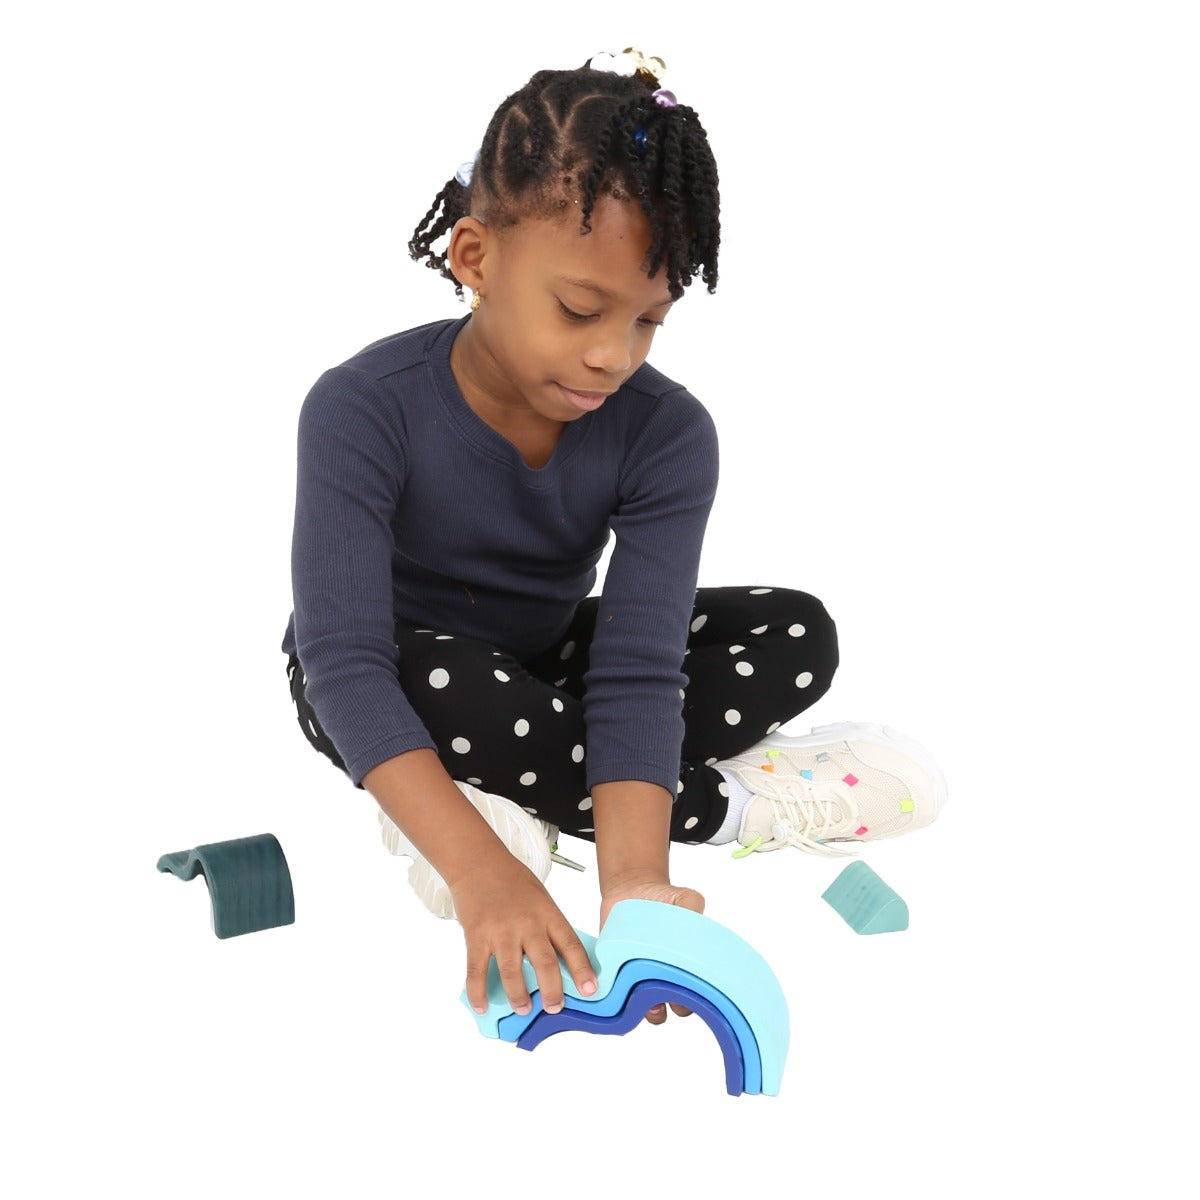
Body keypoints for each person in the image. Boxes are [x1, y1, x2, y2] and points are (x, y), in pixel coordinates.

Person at [281, 50, 947, 1026]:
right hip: (400, 670)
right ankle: (711, 805)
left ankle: (519, 803)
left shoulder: (667, 431)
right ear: (476, 259)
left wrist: (635, 883)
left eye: (648, 322)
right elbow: (342, 661)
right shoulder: (360, 408)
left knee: (796, 634)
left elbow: (636, 666)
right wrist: (481, 880)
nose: (612, 354)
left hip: (548, 661)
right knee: (429, 688)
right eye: (581, 310)